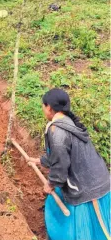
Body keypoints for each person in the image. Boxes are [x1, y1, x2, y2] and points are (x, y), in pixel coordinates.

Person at [28, 88, 110, 240]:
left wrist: (51, 183)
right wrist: (40, 161)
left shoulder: (56, 130)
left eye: (43, 106)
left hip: (88, 189)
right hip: (100, 179)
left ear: (49, 108)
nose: (43, 109)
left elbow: (60, 166)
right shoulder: (68, 122)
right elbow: (61, 154)